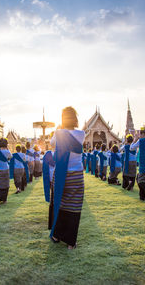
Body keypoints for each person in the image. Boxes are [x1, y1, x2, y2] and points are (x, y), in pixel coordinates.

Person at [50, 106, 85, 249]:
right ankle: (71, 242)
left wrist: (60, 129)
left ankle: (57, 235)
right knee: (74, 208)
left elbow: (52, 144)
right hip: (76, 175)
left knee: (60, 205)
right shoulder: (81, 134)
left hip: (61, 176)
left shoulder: (58, 134)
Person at [0, 138, 12, 207]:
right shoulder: (8, 152)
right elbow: (10, 157)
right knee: (5, 184)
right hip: (6, 169)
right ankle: (4, 199)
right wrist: (8, 149)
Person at [130, 127, 145, 200]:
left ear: (142, 134)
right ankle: (142, 196)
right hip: (142, 163)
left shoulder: (141, 141)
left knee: (140, 181)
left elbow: (131, 148)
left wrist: (134, 140)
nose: (139, 135)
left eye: (140, 134)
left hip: (143, 164)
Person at [42, 149, 55, 230]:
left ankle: (52, 220)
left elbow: (44, 167)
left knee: (52, 199)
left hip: (50, 178)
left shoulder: (47, 154)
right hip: (58, 179)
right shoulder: (61, 153)